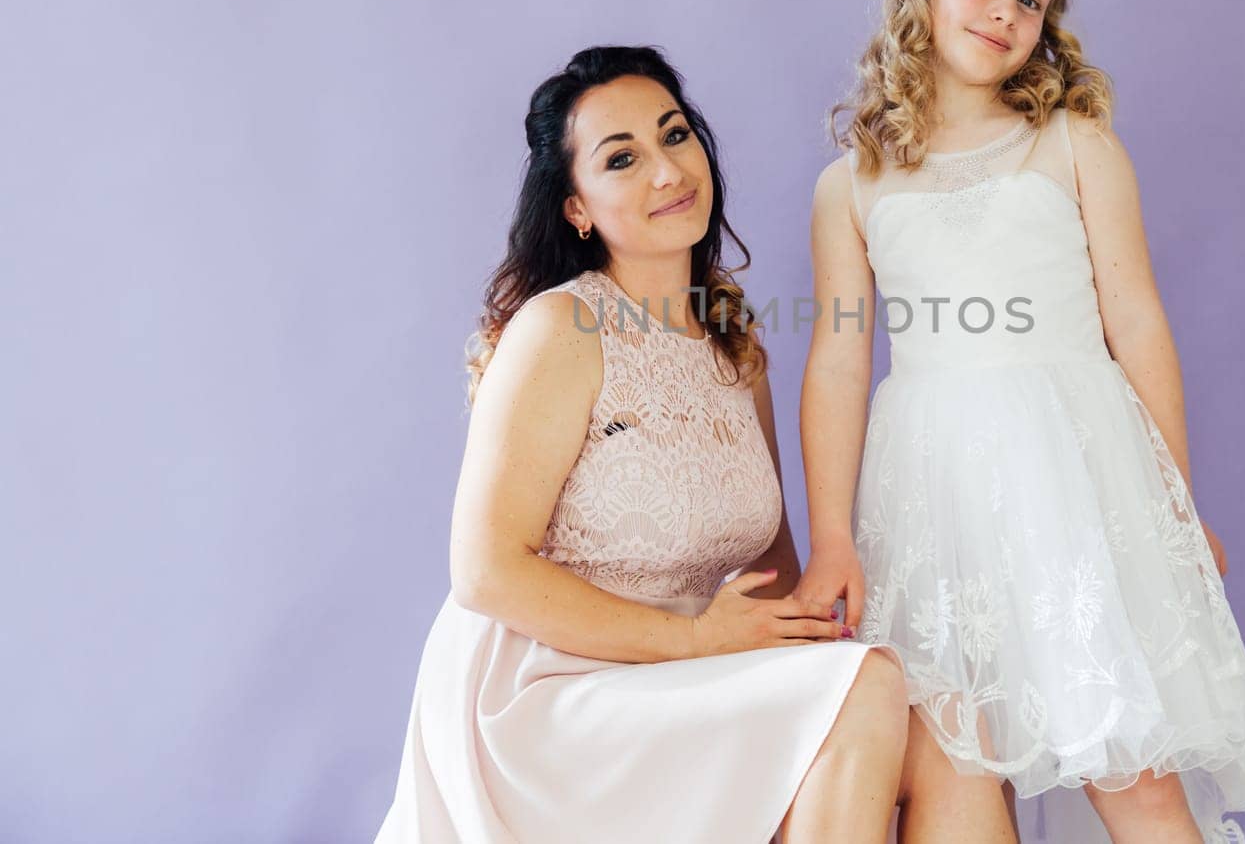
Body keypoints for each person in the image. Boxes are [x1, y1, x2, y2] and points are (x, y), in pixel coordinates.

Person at [794, 0, 1245, 843]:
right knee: (953, 773)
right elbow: (837, 358)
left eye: (1031, 1)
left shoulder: (1074, 141)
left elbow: (1137, 320)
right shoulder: (852, 183)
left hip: (1072, 478)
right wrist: (832, 537)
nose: (1004, 12)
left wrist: (1173, 501)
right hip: (930, 494)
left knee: (1130, 761)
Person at [375, 46, 914, 843]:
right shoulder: (561, 329)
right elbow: (484, 570)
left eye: (676, 135)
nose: (667, 171)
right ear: (577, 209)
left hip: (678, 684)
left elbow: (770, 575)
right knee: (868, 688)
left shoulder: (734, 348)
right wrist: (697, 639)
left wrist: (830, 619)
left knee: (940, 728)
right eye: (622, 158)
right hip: (544, 699)